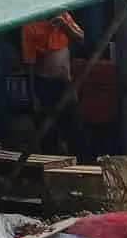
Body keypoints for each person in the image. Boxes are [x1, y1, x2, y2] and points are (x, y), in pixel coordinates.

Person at [21, 11, 92, 161]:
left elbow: (81, 39)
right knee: (48, 133)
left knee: (76, 128)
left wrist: (65, 27)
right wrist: (33, 96)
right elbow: (29, 64)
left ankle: (83, 165)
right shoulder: (30, 26)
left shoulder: (64, 17)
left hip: (65, 82)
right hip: (45, 84)